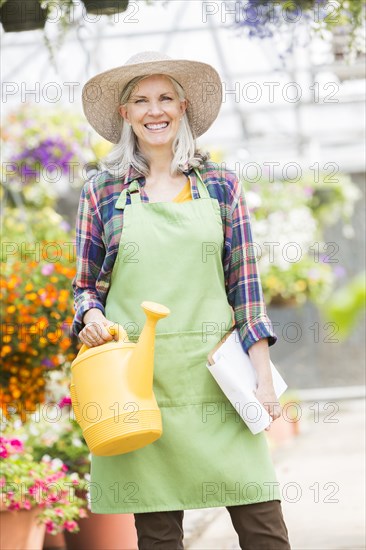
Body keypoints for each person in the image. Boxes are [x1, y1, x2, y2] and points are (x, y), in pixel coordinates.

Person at [72, 51, 291, 550]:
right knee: (158, 534)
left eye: (166, 98)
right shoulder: (102, 192)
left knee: (264, 528)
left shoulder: (220, 187)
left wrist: (262, 378)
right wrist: (89, 316)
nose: (156, 110)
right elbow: (85, 287)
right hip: (138, 385)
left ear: (184, 106)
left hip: (218, 381)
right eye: (142, 100)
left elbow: (246, 290)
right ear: (125, 113)